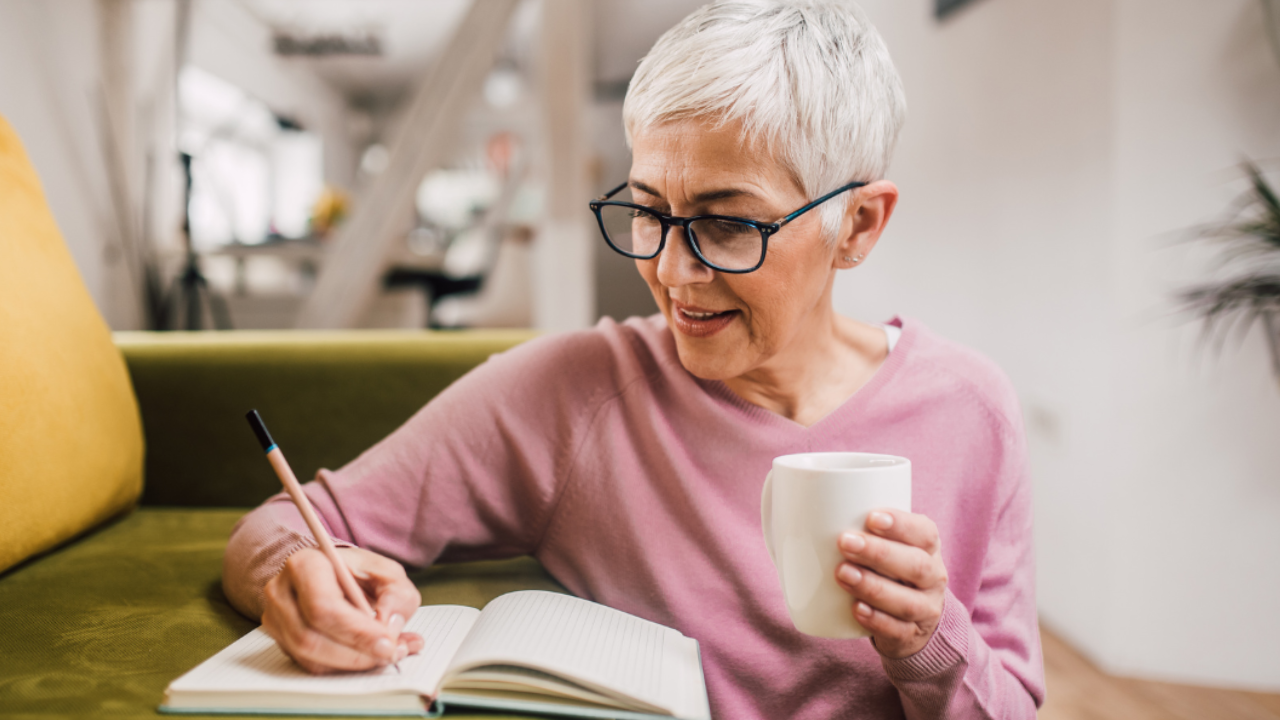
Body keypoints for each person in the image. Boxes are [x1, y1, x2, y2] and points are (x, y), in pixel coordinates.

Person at [222, 1, 1045, 717]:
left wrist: (932, 644)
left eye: (729, 225)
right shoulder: (573, 393)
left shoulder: (969, 409)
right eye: (649, 212)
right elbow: (289, 523)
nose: (673, 274)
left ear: (858, 226)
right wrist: (293, 578)